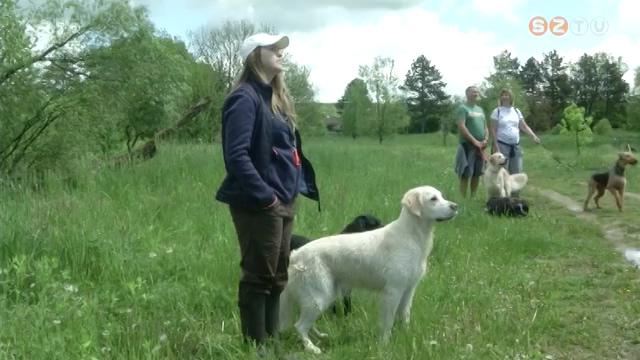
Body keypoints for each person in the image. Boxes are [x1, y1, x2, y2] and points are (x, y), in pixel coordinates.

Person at [215, 33, 320, 348]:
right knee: (258, 276)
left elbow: (287, 151)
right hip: (259, 203)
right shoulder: (244, 98)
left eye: (281, 48)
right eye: (273, 48)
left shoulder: (274, 100)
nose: (280, 53)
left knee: (277, 277)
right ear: (254, 55)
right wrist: (266, 197)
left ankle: (272, 345)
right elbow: (236, 157)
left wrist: (289, 193)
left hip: (284, 201)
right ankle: (256, 348)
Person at [489, 88, 540, 177]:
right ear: (500, 98)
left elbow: (523, 126)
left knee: (517, 172)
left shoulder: (516, 111)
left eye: (507, 95)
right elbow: (493, 130)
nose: (505, 97)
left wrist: (533, 136)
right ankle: (503, 191)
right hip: (502, 145)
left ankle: (515, 191)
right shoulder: (497, 111)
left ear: (511, 97)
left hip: (515, 146)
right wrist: (496, 147)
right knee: (502, 172)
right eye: (503, 95)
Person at [455, 86, 489, 198]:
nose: (476, 93)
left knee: (477, 174)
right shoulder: (463, 108)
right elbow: (461, 126)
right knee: (465, 174)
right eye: (473, 92)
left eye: (477, 92)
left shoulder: (480, 110)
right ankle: (463, 199)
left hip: (481, 147)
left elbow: (485, 127)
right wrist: (474, 141)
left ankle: (472, 197)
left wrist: (486, 139)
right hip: (467, 146)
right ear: (467, 94)